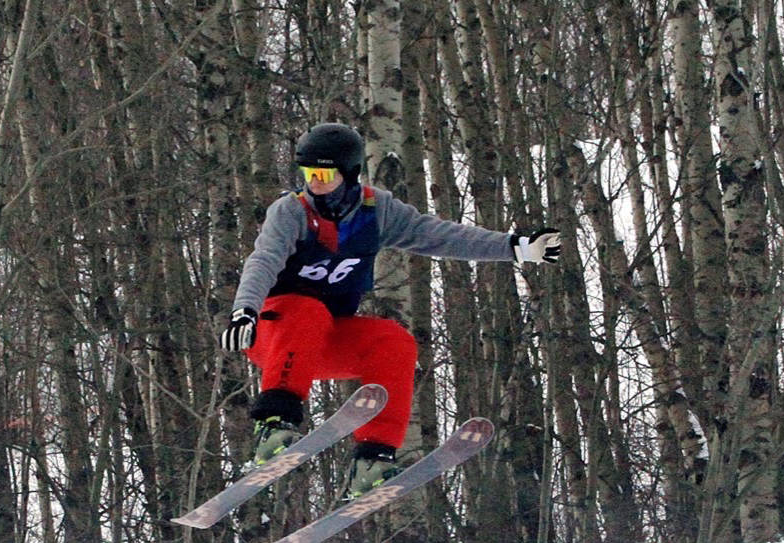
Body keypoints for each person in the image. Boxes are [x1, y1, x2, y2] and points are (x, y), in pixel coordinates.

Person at [220, 122, 561, 497]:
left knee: (393, 340)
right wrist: (245, 310)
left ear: (349, 174)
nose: (314, 183)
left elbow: (440, 235)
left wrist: (516, 248)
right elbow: (263, 260)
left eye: (323, 174)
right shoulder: (292, 211)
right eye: (307, 174)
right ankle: (274, 423)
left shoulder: (375, 210)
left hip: (321, 343)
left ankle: (372, 458)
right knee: (307, 309)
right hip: (274, 336)